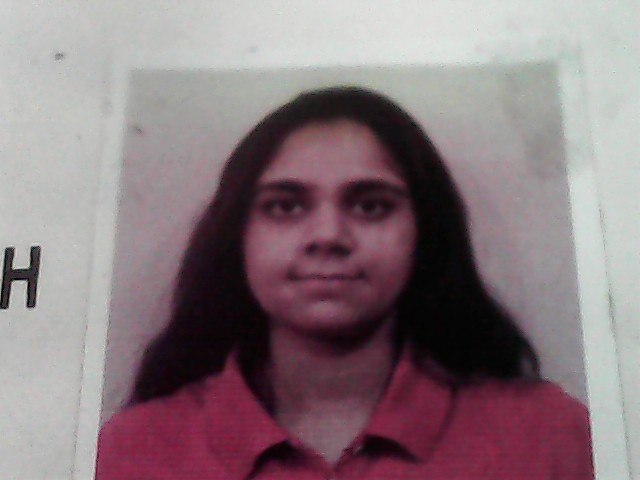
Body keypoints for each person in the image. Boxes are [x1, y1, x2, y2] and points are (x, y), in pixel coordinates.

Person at [96, 86, 593, 479]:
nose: (328, 236)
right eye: (285, 206)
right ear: (237, 236)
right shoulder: (132, 450)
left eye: (371, 205)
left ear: (424, 232)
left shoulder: (551, 435)